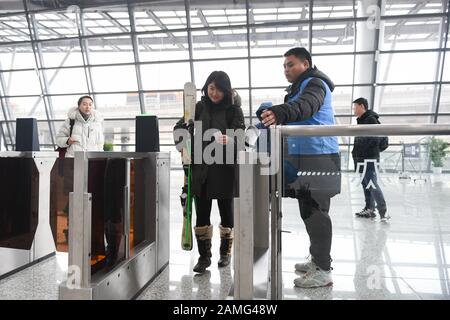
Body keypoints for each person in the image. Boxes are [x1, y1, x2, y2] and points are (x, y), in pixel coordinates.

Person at [257, 47, 341, 288]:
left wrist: (280, 112)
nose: (286, 69)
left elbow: (306, 107)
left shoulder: (315, 84)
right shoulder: (299, 87)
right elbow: (297, 110)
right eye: (284, 66)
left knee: (317, 213)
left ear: (306, 64)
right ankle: (318, 259)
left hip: (319, 156)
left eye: (291, 64)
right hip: (304, 155)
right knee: (309, 211)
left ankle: (323, 270)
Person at [174, 71, 245, 273]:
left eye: (220, 89)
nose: (215, 93)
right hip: (201, 170)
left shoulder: (234, 111)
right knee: (202, 214)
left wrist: (230, 139)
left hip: (225, 169)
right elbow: (179, 126)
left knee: (226, 214)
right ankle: (204, 257)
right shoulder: (198, 107)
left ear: (227, 90)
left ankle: (225, 254)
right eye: (212, 88)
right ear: (206, 87)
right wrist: (183, 146)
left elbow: (242, 138)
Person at [351, 97, 389, 222]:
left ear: (362, 106)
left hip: (368, 158)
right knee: (366, 184)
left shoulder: (371, 119)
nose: (354, 110)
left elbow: (379, 140)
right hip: (361, 158)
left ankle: (383, 211)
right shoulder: (362, 120)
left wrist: (370, 152)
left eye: (355, 107)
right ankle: (369, 209)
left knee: (372, 184)